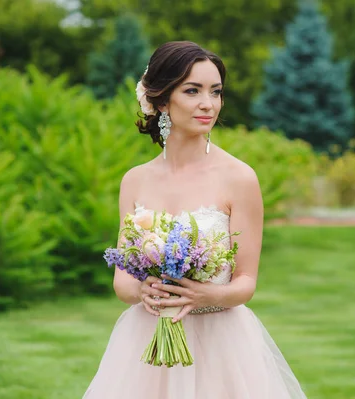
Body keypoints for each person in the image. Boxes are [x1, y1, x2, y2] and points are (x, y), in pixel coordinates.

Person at [83, 41, 307, 399]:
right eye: (193, 90)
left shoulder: (239, 178)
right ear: (160, 100)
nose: (208, 104)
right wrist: (144, 290)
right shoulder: (135, 180)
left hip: (223, 344)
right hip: (145, 343)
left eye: (215, 92)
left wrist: (205, 295)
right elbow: (122, 279)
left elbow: (246, 281)